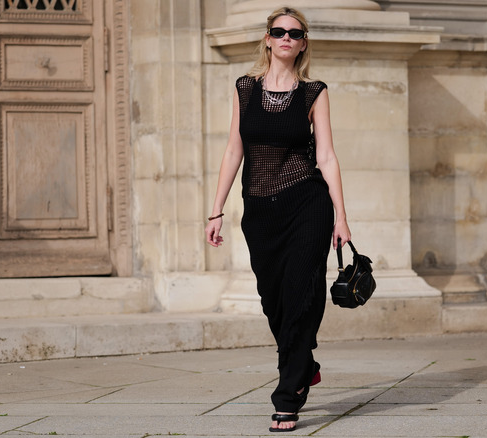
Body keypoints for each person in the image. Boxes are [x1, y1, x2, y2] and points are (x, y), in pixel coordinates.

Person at [204, 6, 351, 433]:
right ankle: (304, 364)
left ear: (303, 43)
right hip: (261, 211)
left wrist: (341, 216)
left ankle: (287, 396)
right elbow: (234, 150)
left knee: (301, 291)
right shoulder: (244, 88)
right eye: (278, 31)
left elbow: (325, 155)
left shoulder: (314, 92)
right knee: (273, 299)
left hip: (308, 203)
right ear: (267, 39)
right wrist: (216, 209)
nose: (286, 38)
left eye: (294, 33)